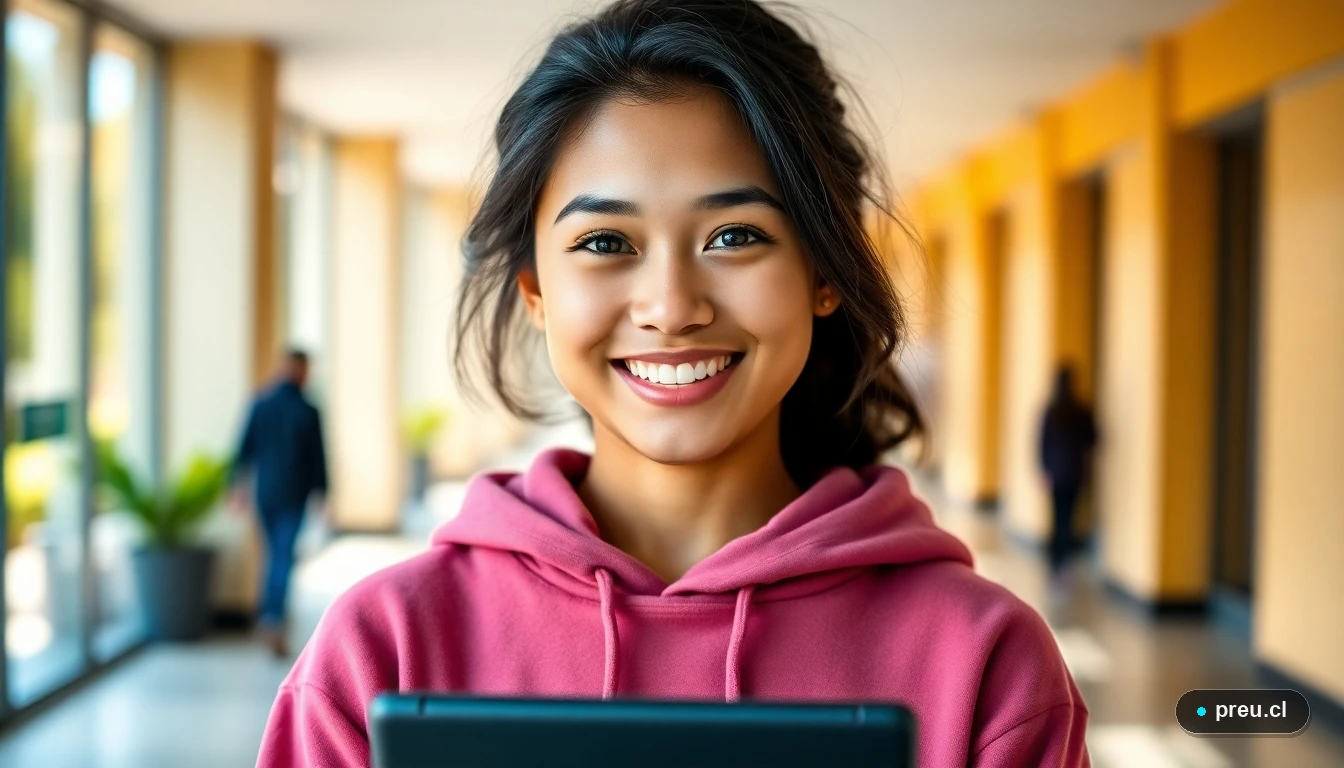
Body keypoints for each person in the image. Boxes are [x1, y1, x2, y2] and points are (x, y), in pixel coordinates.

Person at [257, 1, 1088, 765]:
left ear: (823, 273)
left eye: (733, 235)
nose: (671, 307)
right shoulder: (383, 650)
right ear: (536, 292)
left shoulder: (986, 666)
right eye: (605, 243)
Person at [231, 349, 328, 659]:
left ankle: (269, 615)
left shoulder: (260, 403)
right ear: (298, 369)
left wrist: (238, 488)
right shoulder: (308, 410)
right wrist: (322, 494)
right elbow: (318, 458)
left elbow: (243, 449)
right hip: (293, 496)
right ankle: (273, 619)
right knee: (283, 558)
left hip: (266, 493)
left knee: (274, 556)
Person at [1038, 364, 1098, 579]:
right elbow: (1094, 439)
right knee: (1069, 519)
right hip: (1075, 472)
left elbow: (1042, 443)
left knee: (1057, 517)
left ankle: (1055, 561)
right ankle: (1064, 563)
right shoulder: (1082, 409)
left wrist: (1044, 470)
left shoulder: (1051, 410)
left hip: (1055, 472)